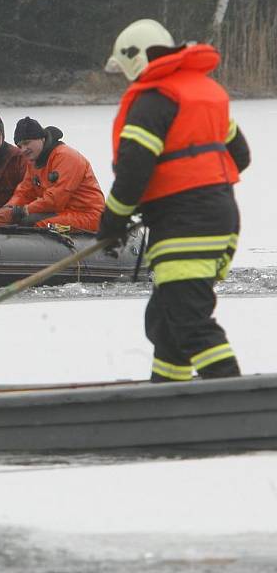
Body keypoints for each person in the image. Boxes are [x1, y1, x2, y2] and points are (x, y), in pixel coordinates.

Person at [98, 19, 251, 383]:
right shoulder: (203, 92)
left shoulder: (153, 101)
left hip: (186, 224)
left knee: (187, 318)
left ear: (136, 59)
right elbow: (239, 156)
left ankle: (236, 399)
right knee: (166, 319)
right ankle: (168, 394)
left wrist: (113, 221)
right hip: (219, 216)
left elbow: (134, 171)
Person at [0, 117, 105, 231]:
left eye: (27, 143)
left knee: (40, 227)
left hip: (88, 216)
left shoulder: (66, 157)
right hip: (61, 212)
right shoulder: (33, 162)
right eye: (20, 146)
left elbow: (56, 199)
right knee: (8, 221)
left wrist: (24, 210)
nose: (24, 149)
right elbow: (24, 192)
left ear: (42, 139)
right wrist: (9, 208)